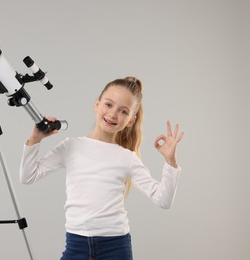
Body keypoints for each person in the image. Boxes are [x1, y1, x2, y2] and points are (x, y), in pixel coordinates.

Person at [19, 77, 184, 260]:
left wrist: (171, 161)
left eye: (123, 111)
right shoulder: (71, 147)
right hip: (76, 245)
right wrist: (35, 139)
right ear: (97, 105)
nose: (113, 114)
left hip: (115, 248)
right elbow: (28, 176)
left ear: (130, 120)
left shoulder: (127, 158)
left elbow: (163, 200)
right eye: (108, 104)